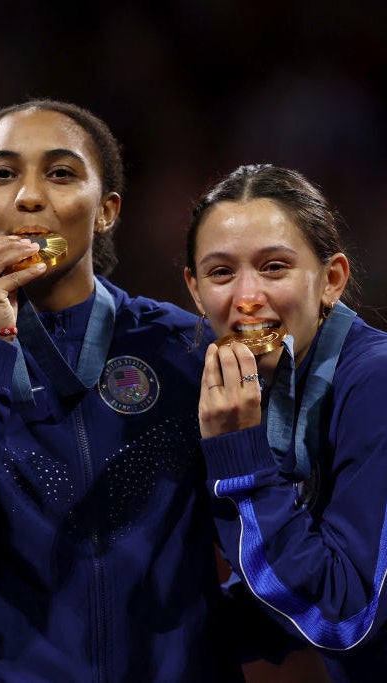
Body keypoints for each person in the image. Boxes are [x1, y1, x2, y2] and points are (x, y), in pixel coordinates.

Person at [0, 98, 244, 681]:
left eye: (61, 173)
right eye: (2, 174)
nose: (29, 197)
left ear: (107, 211)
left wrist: (205, 646)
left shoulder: (186, 349)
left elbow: (260, 531)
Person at [184, 163, 387, 681]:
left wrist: (240, 461)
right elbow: (286, 601)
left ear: (331, 280)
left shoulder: (375, 382)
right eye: (221, 273)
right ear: (195, 291)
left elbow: (344, 619)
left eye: (274, 267)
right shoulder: (269, 382)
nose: (247, 297)